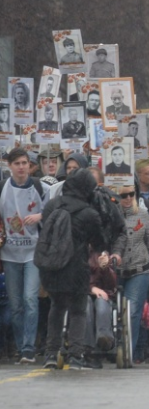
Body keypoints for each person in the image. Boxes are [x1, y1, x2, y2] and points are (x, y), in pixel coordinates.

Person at [37, 168, 100, 370]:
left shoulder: (51, 206)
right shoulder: (89, 212)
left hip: (51, 267)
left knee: (56, 308)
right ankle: (75, 355)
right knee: (78, 311)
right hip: (76, 268)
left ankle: (50, 354)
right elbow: (98, 240)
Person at [110, 182, 149, 365]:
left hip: (139, 270)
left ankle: (129, 350)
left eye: (131, 195)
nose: (127, 199)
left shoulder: (142, 214)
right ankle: (114, 346)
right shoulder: (110, 216)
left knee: (133, 311)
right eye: (123, 195)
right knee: (114, 311)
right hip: (115, 270)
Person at [1, 148, 49, 364]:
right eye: (17, 163)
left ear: (29, 165)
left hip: (33, 252)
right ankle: (21, 346)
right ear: (9, 166)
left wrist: (41, 215)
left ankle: (29, 347)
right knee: (15, 303)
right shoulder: (2, 187)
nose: (21, 167)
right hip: (9, 253)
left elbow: (55, 211)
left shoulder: (41, 187)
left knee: (31, 298)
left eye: (24, 163)